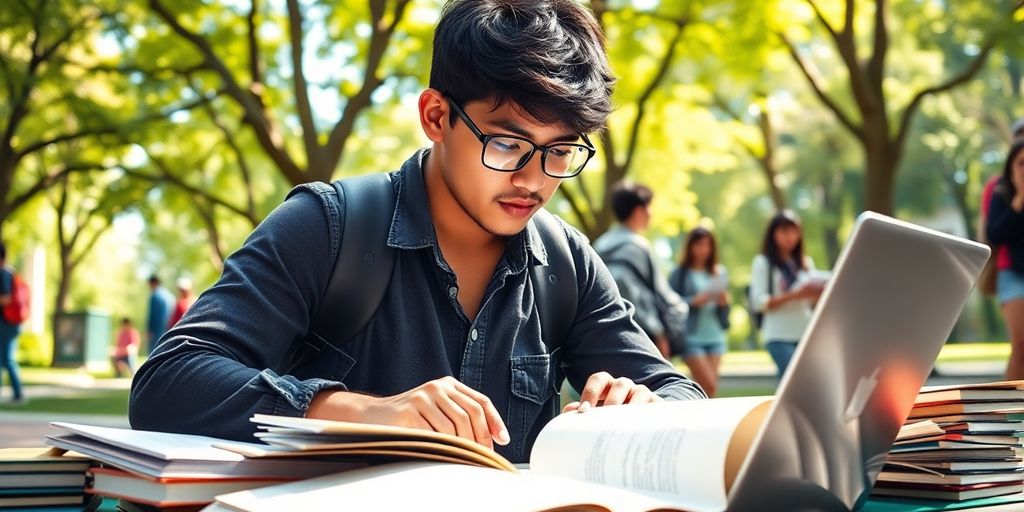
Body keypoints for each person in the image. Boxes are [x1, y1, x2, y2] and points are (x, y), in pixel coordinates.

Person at [130, 0, 705, 464]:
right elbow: (169, 381)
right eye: (506, 144)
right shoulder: (327, 227)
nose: (533, 179)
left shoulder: (566, 263)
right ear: (436, 117)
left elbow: (683, 396)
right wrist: (357, 412)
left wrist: (641, 404)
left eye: (559, 151)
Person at [592, 181, 689, 360]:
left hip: (606, 329)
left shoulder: (600, 245)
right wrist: (660, 332)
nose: (651, 213)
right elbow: (658, 292)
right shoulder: (638, 246)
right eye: (648, 207)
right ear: (638, 210)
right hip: (643, 333)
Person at [750, 211, 823, 379]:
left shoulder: (805, 263)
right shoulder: (763, 263)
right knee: (792, 378)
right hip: (778, 334)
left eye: (793, 231)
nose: (790, 237)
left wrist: (818, 293)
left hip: (805, 333)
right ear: (773, 234)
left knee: (802, 383)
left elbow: (811, 302)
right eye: (784, 232)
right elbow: (759, 302)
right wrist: (793, 295)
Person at [669, 227, 730, 397]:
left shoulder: (718, 272)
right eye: (699, 245)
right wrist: (693, 301)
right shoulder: (679, 274)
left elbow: (725, 312)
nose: (704, 249)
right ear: (691, 247)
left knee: (709, 389)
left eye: (707, 245)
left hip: (715, 336)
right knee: (708, 385)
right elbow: (669, 303)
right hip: (691, 337)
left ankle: (704, 422)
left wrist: (724, 303)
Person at [987, 140, 1024, 379]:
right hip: (1012, 274)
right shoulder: (1000, 194)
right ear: (1011, 167)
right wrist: (1020, 198)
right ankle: (1010, 410)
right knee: (1021, 344)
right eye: (1021, 163)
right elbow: (996, 234)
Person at [0, 242, 23, 404]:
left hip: (6, 322)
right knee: (5, 359)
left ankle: (18, 393)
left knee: (7, 359)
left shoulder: (3, 274)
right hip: (11, 322)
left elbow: (6, 298)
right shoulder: (11, 273)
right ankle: (17, 392)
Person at [145, 275, 173, 354]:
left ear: (153, 283)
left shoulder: (155, 296)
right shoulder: (169, 296)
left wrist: (149, 330)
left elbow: (152, 315)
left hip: (157, 330)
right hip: (169, 329)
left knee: (153, 353)